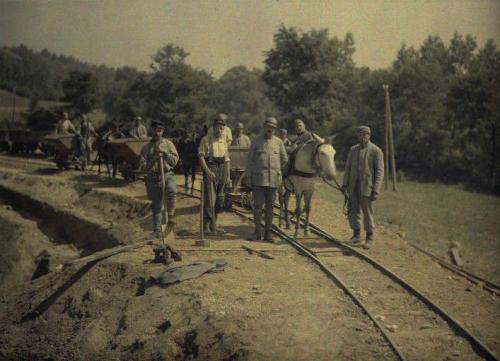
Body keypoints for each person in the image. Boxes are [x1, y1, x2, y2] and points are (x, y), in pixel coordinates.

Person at [246, 117, 288, 242]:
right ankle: (257, 232)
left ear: (275, 129)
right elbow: (249, 161)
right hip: (259, 180)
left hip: (273, 181)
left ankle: (268, 233)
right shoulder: (256, 142)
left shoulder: (279, 142)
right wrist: (248, 176)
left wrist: (278, 170)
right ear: (264, 127)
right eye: (268, 127)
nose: (270, 129)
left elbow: (285, 159)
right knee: (258, 206)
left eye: (272, 128)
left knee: (270, 207)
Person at [342, 126, 384, 249]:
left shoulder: (376, 151)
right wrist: (345, 184)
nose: (362, 137)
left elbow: (380, 172)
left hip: (367, 187)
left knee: (367, 212)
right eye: (360, 135)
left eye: (364, 135)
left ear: (369, 135)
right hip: (353, 186)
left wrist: (376, 190)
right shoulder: (353, 150)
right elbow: (347, 168)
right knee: (353, 210)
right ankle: (356, 235)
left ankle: (369, 237)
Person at [140, 120, 179, 237]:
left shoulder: (168, 144)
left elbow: (175, 161)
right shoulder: (146, 148)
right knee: (156, 204)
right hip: (153, 176)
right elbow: (143, 167)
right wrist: (154, 158)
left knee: (172, 191)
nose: (157, 133)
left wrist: (165, 153)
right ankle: (157, 229)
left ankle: (171, 218)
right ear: (151, 130)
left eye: (159, 130)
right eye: (155, 130)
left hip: (167, 174)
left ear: (163, 131)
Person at [198, 114, 230, 235]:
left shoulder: (224, 141)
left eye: (222, 128)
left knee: (220, 199)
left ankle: (214, 225)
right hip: (210, 168)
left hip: (223, 169)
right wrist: (207, 171)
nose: (220, 130)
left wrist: (228, 177)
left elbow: (227, 160)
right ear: (213, 127)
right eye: (218, 127)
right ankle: (206, 226)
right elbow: (201, 157)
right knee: (209, 199)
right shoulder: (206, 140)